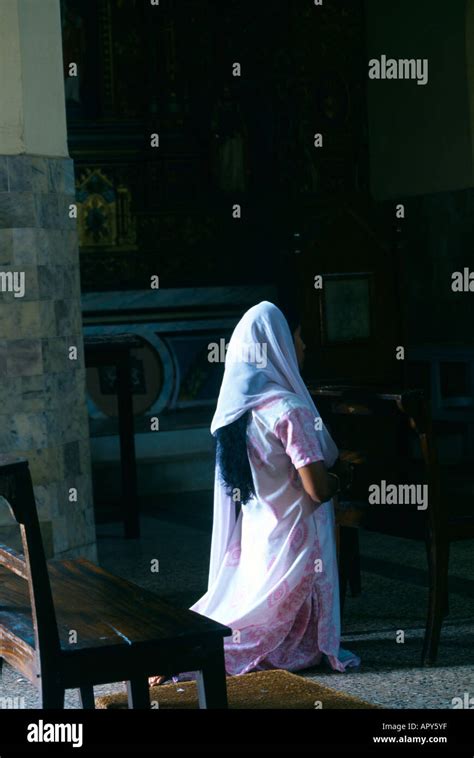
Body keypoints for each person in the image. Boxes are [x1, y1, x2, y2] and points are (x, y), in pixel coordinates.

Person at [149, 301, 360, 686]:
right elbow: (316, 490)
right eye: (296, 337)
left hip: (260, 538)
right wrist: (341, 478)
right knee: (273, 641)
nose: (303, 346)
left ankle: (178, 647)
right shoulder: (289, 409)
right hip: (295, 545)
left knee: (245, 611)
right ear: (275, 343)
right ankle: (184, 655)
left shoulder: (237, 413)